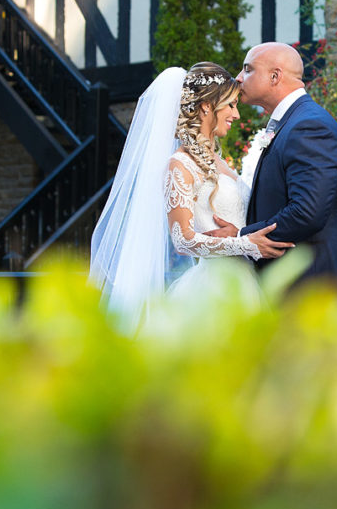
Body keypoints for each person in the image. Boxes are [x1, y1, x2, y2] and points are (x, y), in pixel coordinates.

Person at [89, 62, 292, 332]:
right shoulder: (180, 165)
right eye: (230, 105)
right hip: (214, 290)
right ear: (207, 105)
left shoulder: (218, 161)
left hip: (246, 282)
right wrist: (246, 244)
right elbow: (182, 239)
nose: (236, 114)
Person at [207, 42, 337, 288]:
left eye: (248, 69)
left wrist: (240, 237)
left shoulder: (309, 126)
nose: (238, 78)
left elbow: (307, 212)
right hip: (292, 280)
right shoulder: (291, 122)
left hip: (313, 283)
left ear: (275, 76)